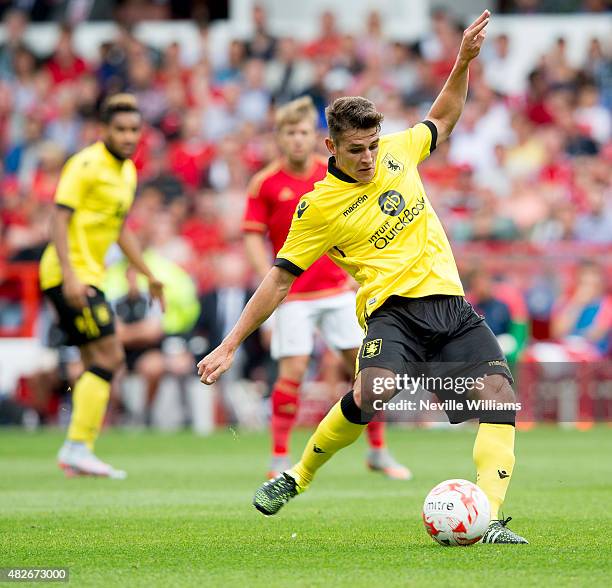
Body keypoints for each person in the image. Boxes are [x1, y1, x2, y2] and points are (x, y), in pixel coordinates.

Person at [199, 11, 528, 544]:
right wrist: (231, 343)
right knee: (374, 390)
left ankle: (487, 517)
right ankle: (296, 475)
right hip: (391, 313)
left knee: (497, 399)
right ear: (331, 148)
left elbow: (443, 117)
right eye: (356, 149)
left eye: (374, 144)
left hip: (450, 304)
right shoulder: (318, 208)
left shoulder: (399, 150)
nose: (370, 157)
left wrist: (463, 61)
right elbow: (278, 280)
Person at [243, 96, 410, 480]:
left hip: (336, 290)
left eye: (304, 132)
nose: (297, 139)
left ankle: (379, 451)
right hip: (294, 296)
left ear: (316, 137)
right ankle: (278, 457)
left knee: (367, 372)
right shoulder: (265, 183)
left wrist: (356, 272)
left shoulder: (333, 173)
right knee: (294, 371)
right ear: (280, 138)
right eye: (290, 132)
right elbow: (252, 236)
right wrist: (264, 275)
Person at [39, 94, 164, 478]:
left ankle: (78, 447)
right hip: (68, 274)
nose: (128, 136)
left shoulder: (127, 172)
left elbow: (119, 227)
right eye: (121, 129)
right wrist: (71, 275)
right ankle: (77, 446)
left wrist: (147, 272)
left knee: (99, 361)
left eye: (133, 130)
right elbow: (58, 220)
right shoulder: (85, 164)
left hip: (87, 275)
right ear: (104, 130)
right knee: (109, 358)